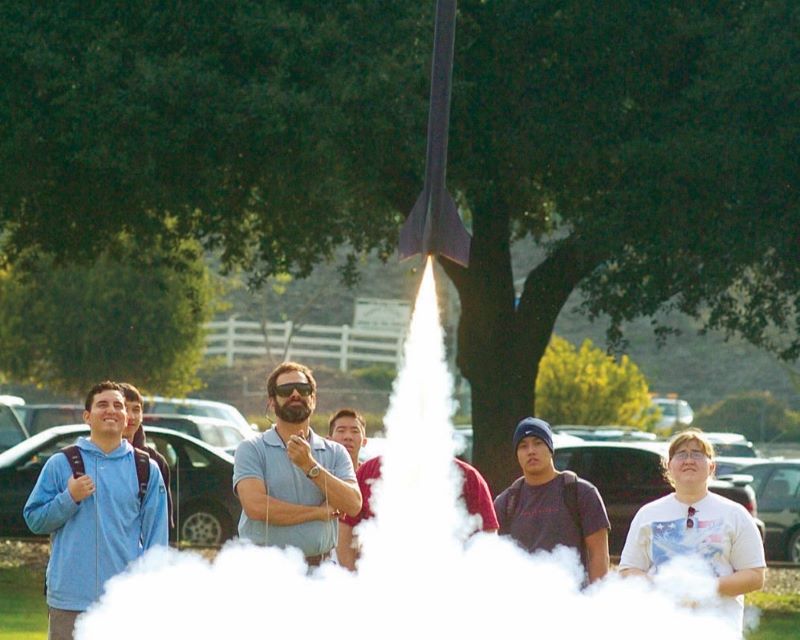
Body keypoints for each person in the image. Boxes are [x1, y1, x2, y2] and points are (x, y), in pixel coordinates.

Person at [23, 381, 168, 640]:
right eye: (102, 404)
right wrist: (69, 498)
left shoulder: (146, 468)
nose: (111, 410)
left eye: (118, 406)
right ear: (87, 416)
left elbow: (157, 541)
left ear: (127, 418)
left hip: (123, 601)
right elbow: (34, 520)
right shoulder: (61, 463)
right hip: (69, 599)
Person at [619, 428, 765, 634]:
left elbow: (755, 575)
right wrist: (663, 586)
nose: (689, 460)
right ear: (668, 466)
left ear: (711, 466)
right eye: (681, 454)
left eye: (697, 454)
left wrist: (704, 588)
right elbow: (628, 571)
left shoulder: (735, 514)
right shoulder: (648, 514)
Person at [233, 361, 361, 566]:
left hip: (320, 572)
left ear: (313, 399)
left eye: (303, 389)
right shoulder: (252, 448)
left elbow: (353, 504)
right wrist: (318, 513)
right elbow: (256, 507)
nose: (295, 394)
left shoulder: (336, 452)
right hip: (263, 570)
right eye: (285, 390)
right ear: (272, 402)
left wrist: (310, 467)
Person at [494, 417, 610, 584]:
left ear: (550, 448)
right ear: (517, 454)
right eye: (523, 446)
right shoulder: (506, 502)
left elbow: (599, 556)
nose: (531, 451)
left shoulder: (581, 493)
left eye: (538, 443)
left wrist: (597, 600)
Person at [337, 454, 499, 570]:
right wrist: (352, 580)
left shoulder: (468, 477)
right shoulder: (369, 471)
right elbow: (345, 530)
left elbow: (487, 540)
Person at [119, 382, 175, 529]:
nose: (131, 416)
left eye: (136, 409)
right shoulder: (92, 457)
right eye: (124, 408)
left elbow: (163, 523)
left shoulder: (155, 462)